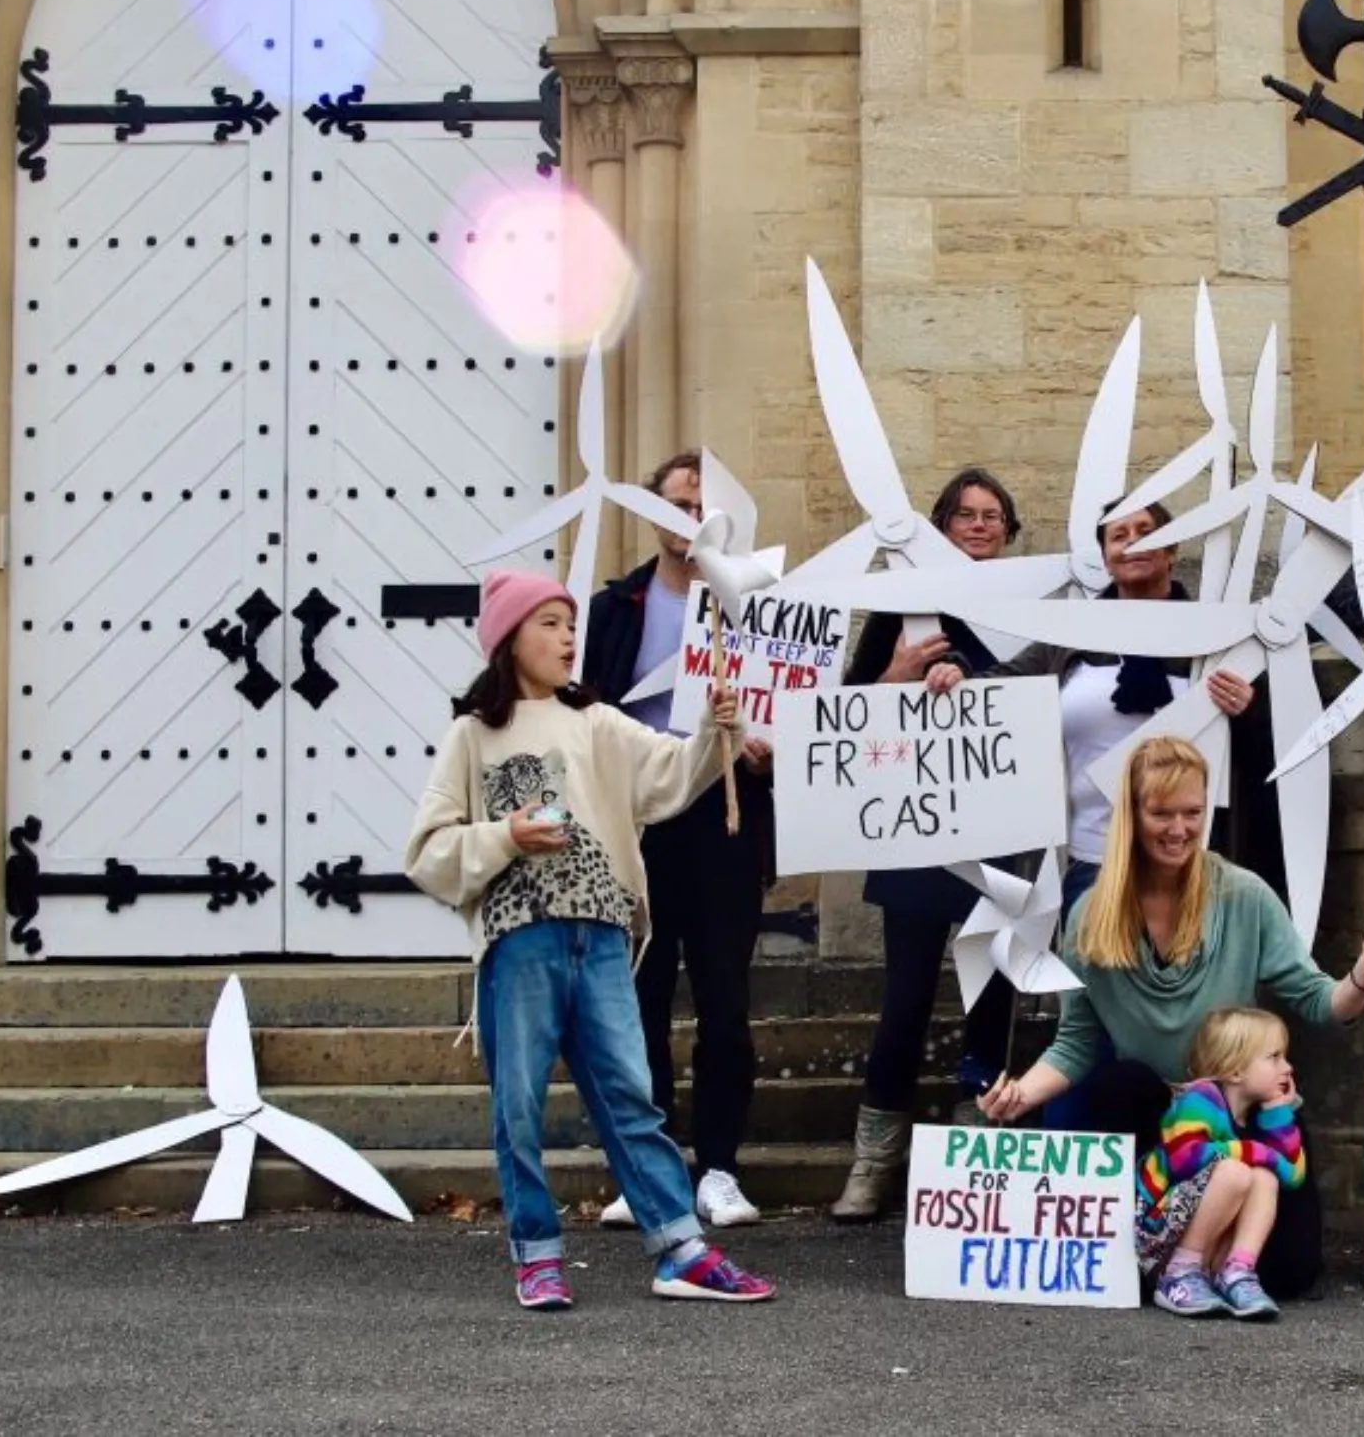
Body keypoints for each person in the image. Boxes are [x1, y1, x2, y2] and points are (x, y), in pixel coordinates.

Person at [403, 570, 776, 1309]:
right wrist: (506, 834)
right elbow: (427, 849)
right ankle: (536, 1253)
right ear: (509, 638)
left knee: (630, 1097)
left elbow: (669, 778)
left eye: (571, 623)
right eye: (548, 623)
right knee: (519, 1103)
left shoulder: (598, 722)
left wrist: (712, 730)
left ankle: (681, 1249)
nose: (568, 637)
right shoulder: (472, 735)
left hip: (603, 936)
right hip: (520, 942)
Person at [977, 736, 1364, 1300]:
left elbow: (1319, 1001)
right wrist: (1021, 1094)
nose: (1179, 829)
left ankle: (1195, 1256)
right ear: (1132, 815)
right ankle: (1167, 1254)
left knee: (1292, 1273)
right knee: (1124, 1082)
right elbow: (1076, 1043)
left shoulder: (1245, 896)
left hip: (1231, 1113)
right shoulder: (1090, 916)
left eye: (1192, 812)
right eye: (1161, 813)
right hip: (1149, 1117)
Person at [582, 451, 776, 1230]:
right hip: (641, 820)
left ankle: (719, 1168)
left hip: (726, 817)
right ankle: (647, 1168)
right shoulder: (615, 608)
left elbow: (793, 705)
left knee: (725, 1001)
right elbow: (584, 705)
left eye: (702, 507)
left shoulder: (757, 606)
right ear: (652, 513)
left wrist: (767, 743)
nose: (688, 521)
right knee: (642, 999)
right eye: (676, 505)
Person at [830, 467, 1028, 1222]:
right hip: (917, 827)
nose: (979, 527)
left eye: (993, 516)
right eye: (964, 516)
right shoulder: (903, 606)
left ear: (1008, 533)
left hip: (1000, 829)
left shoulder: (1029, 608)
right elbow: (847, 707)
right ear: (940, 530)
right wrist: (902, 672)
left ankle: (978, 1150)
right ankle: (875, 1161)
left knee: (992, 996)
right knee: (904, 998)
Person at [941, 500, 1267, 912]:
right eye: (1119, 535)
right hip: (1092, 860)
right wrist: (955, 670)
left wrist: (1249, 710)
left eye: (1148, 532)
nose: (1133, 543)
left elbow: (1260, 752)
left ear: (1172, 554)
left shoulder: (1218, 639)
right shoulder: (1069, 634)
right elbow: (998, 687)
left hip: (1188, 858)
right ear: (1107, 561)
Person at [1136, 1007, 1306, 1320]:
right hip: (1154, 1236)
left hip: (1204, 1246)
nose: (1288, 1067)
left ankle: (1237, 1271)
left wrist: (1278, 1113)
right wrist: (1255, 1152)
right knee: (1235, 1173)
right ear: (1236, 1072)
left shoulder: (1259, 1114)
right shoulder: (1201, 1098)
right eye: (1274, 1057)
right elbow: (1184, 1159)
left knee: (1264, 1178)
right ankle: (1178, 1273)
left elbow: (1292, 1175)